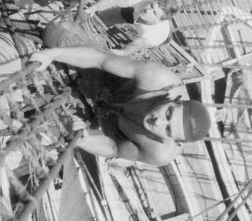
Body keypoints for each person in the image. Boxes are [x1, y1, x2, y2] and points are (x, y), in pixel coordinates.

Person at [30, 44, 212, 166]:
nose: (158, 122)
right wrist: (52, 54)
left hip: (103, 123)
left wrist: (83, 140)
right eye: (169, 113)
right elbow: (99, 59)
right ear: (174, 99)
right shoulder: (155, 78)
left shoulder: (158, 152)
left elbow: (114, 148)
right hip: (107, 81)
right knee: (56, 33)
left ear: (172, 140)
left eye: (168, 131)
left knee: (43, 131)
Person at [85, 0, 177, 54]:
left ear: (158, 20)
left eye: (154, 12)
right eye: (152, 5)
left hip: (162, 36)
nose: (148, 10)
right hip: (136, 15)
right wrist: (92, 9)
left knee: (150, 48)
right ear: (153, 1)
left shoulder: (154, 36)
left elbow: (136, 45)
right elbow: (114, 1)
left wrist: (122, 52)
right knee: (109, 15)